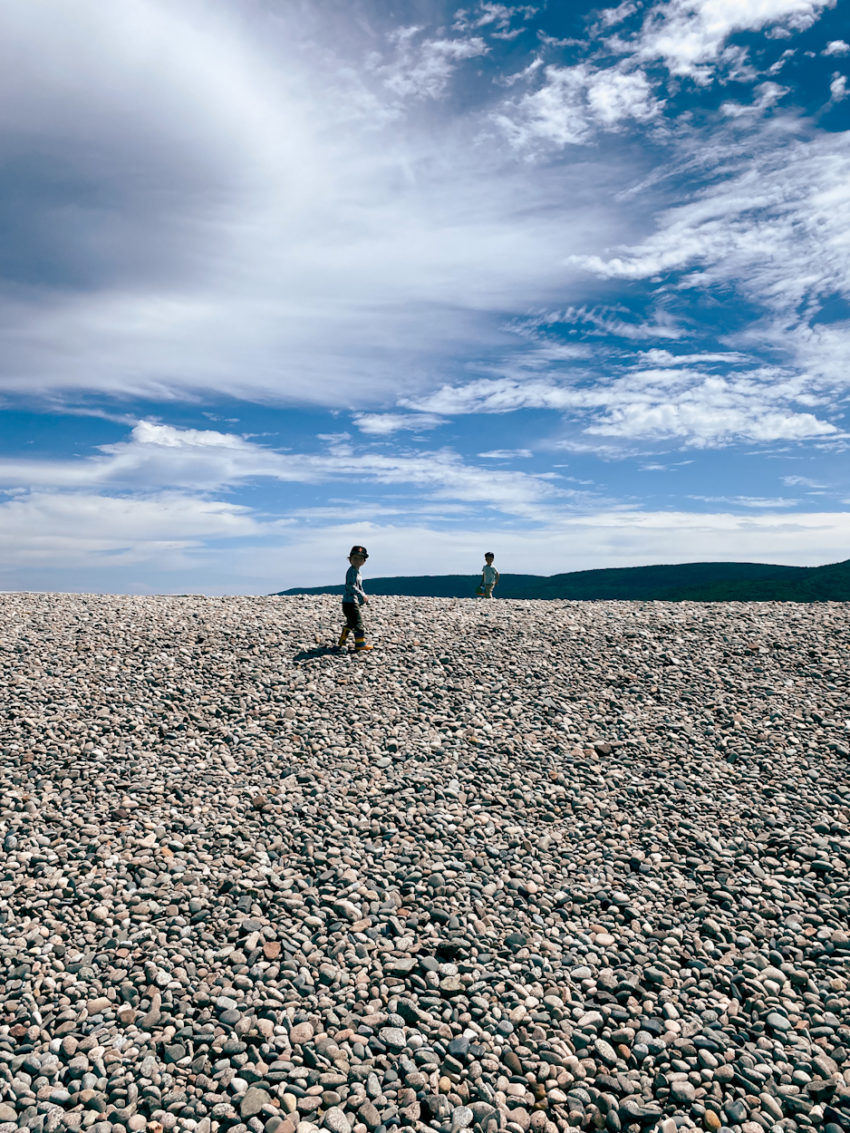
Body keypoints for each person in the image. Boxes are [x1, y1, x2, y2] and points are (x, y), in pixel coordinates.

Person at [337, 545, 372, 652]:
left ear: (364, 561)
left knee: (351, 622)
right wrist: (362, 595)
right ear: (350, 559)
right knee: (358, 623)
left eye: (360, 558)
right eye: (355, 558)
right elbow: (350, 586)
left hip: (352, 601)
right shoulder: (352, 571)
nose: (357, 561)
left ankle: (342, 641)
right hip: (350, 602)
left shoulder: (358, 572)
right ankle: (360, 644)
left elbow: (359, 587)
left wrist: (363, 597)